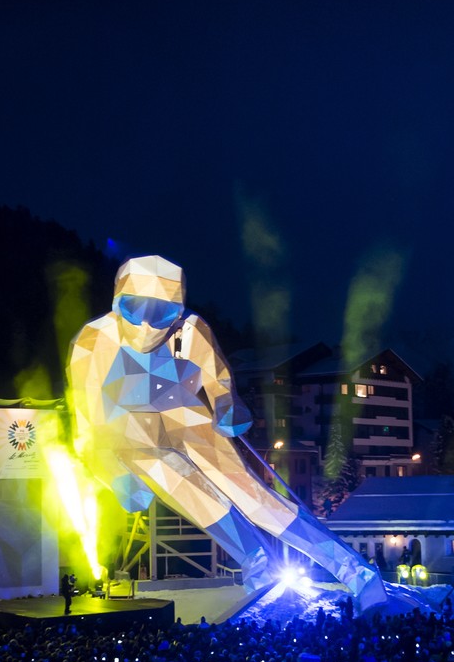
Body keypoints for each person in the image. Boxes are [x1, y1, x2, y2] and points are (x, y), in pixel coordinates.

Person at [67, 255, 385, 608]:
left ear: (177, 310)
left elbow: (218, 381)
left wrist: (227, 405)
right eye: (133, 308)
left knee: (253, 495)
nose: (145, 323)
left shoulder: (190, 331)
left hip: (182, 412)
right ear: (117, 303)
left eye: (161, 313)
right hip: (127, 425)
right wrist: (114, 474)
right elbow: (90, 427)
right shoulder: (94, 343)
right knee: (182, 483)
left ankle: (353, 570)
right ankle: (257, 565)